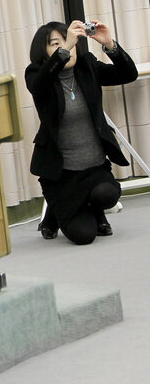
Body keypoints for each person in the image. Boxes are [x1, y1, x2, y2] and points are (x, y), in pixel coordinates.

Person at [26, 20, 138, 245]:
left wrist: (109, 45)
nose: (68, 48)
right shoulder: (37, 75)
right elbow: (39, 85)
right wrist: (65, 48)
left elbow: (127, 74)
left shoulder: (87, 66)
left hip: (95, 168)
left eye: (71, 42)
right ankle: (54, 214)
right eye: (56, 44)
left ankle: (97, 211)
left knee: (107, 194)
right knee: (84, 236)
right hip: (63, 175)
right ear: (44, 52)